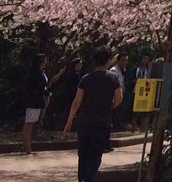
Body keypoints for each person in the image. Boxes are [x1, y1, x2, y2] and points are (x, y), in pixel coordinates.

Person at [63, 47, 121, 182]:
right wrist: (109, 107)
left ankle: (82, 178)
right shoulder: (113, 78)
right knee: (96, 155)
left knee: (83, 154)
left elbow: (76, 102)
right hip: (102, 122)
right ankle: (87, 179)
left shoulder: (86, 78)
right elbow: (119, 98)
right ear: (107, 60)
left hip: (84, 121)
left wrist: (69, 121)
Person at [20, 50, 49, 154]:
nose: (46, 62)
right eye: (45, 60)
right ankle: (26, 146)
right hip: (34, 101)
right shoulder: (35, 73)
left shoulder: (41, 73)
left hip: (39, 101)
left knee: (33, 123)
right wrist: (46, 93)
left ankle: (28, 145)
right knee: (29, 123)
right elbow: (37, 87)